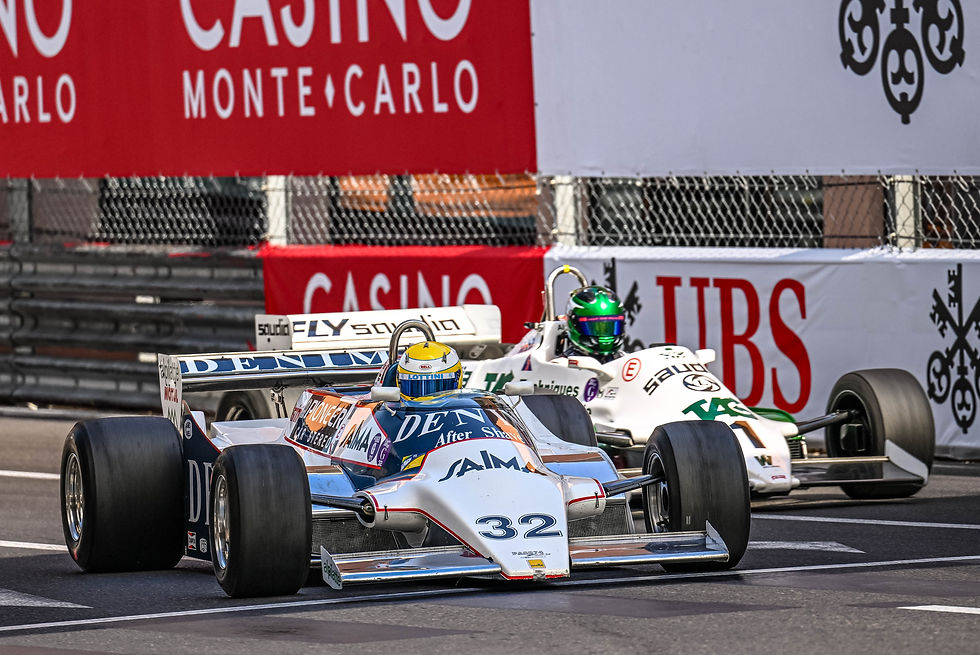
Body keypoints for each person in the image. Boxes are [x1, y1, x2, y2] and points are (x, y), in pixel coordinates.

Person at [562, 286, 626, 363]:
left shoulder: (624, 360)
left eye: (610, 327)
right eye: (593, 327)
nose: (604, 336)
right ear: (573, 324)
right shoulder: (561, 365)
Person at [395, 340, 463, 401]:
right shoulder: (389, 410)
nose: (426, 400)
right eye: (415, 389)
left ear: (458, 378)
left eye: (438, 387)